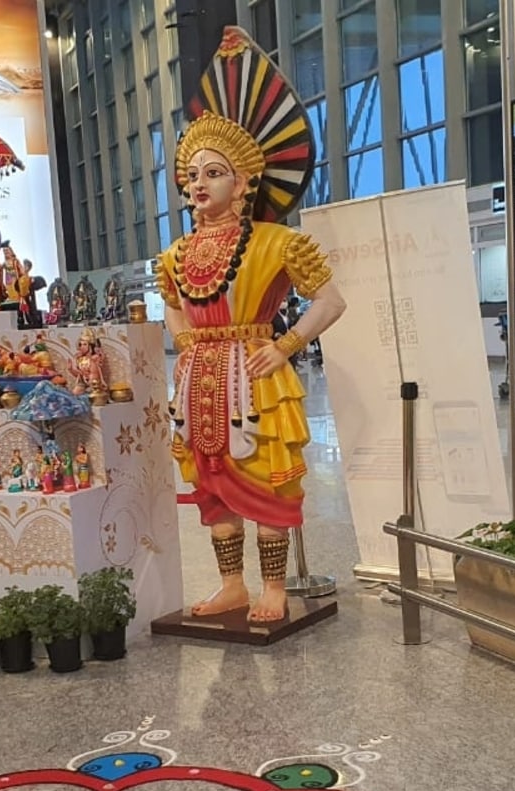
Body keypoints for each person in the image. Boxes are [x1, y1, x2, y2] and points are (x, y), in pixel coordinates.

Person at [158, 28, 347, 623]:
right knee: (212, 485)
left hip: (255, 374)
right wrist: (184, 338)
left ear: (244, 183)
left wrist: (286, 344)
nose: (198, 184)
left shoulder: (277, 242)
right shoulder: (175, 255)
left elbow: (331, 301)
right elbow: (170, 301)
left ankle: (273, 587)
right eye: (192, 175)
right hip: (198, 380)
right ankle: (231, 585)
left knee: (267, 478)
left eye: (212, 173)